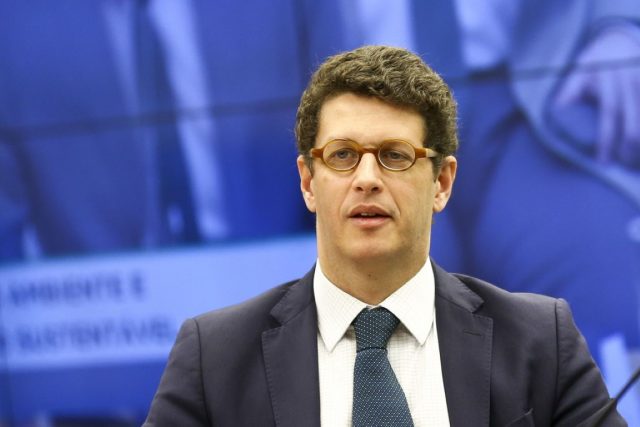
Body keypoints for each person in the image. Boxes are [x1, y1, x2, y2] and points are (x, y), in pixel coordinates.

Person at [143, 46, 625, 426]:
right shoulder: (215, 356)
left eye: (395, 155)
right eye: (342, 156)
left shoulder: (540, 340)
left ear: (441, 183)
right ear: (308, 182)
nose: (367, 179)